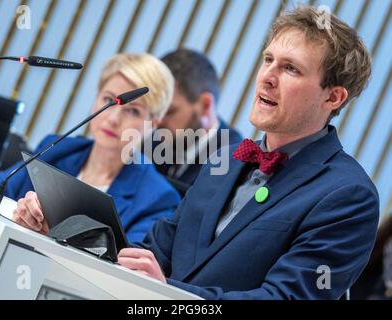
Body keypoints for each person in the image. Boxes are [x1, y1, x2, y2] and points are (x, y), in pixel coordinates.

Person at [117, 6, 379, 299]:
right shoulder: (225, 159)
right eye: (268, 59)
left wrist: (166, 292)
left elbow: (285, 298)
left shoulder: (349, 195)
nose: (267, 76)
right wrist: (86, 244)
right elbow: (155, 251)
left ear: (333, 96)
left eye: (290, 68)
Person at [0, 53, 180, 243]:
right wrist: (20, 211)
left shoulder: (158, 198)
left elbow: (125, 267)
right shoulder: (58, 149)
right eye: (109, 100)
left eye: (133, 111)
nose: (112, 118)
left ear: (153, 124)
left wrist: (58, 235)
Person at [146, 49, 242, 196]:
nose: (157, 121)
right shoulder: (151, 143)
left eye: (169, 111)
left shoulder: (234, 165)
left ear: (205, 105)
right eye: (155, 110)